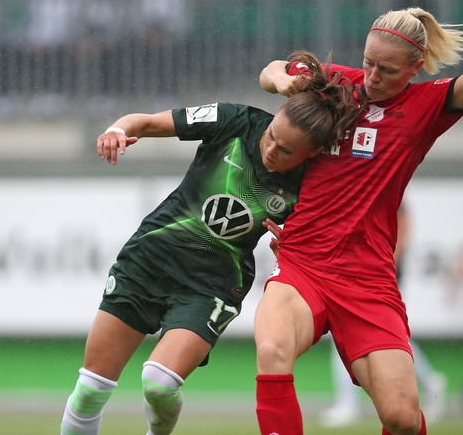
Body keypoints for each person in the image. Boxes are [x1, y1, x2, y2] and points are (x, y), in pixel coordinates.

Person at [59, 51, 365, 435]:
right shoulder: (236, 120)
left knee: (159, 382)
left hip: (211, 285)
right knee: (90, 389)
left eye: (286, 151)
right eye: (271, 137)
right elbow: (150, 122)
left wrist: (289, 246)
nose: (271, 150)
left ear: (314, 153)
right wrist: (119, 129)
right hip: (149, 259)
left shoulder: (314, 182)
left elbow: (309, 247)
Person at [254, 0, 463, 435]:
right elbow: (272, 69)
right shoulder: (337, 83)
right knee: (272, 349)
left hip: (367, 279)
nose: (371, 76)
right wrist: (282, 84)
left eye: (387, 70)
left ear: (416, 67)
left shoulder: (425, 105)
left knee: (402, 418)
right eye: (369, 62)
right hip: (303, 263)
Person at [319, 205, 447, 427]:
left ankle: (348, 404)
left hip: (379, 275)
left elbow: (404, 219)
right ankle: (430, 381)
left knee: (370, 334)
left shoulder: (382, 181)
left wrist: (390, 258)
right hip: (368, 272)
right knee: (387, 337)